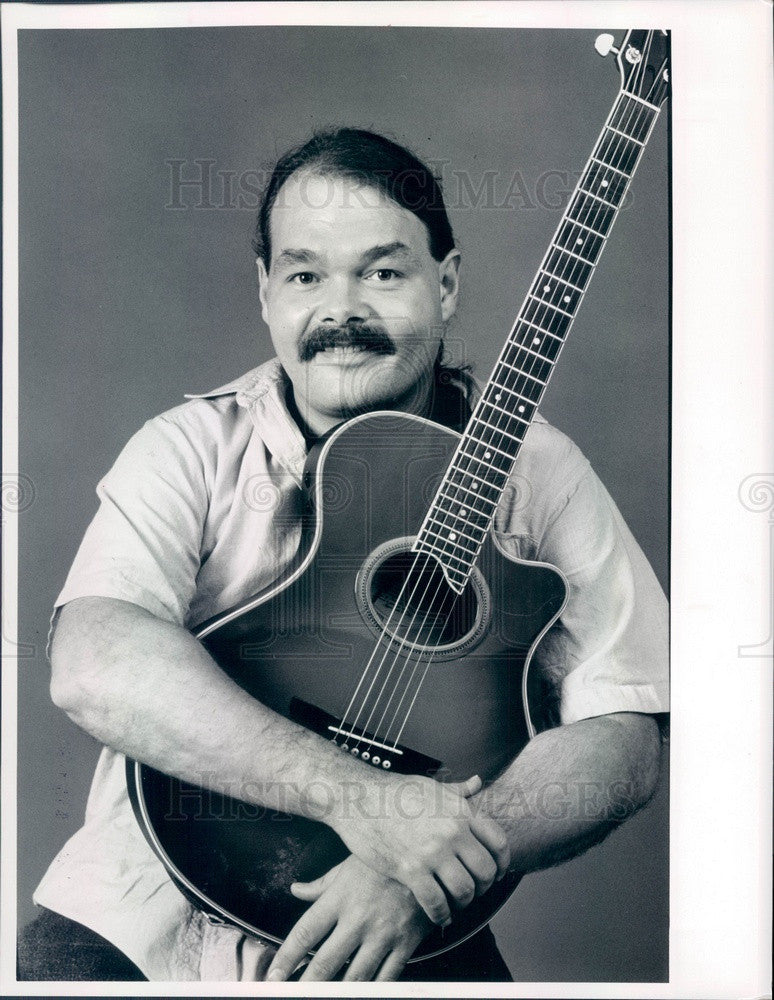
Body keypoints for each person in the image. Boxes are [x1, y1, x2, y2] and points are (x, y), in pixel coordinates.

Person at [19, 129, 669, 983]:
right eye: (305, 275)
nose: (341, 309)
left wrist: (429, 871)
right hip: (140, 921)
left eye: (384, 272)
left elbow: (622, 728)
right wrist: (368, 802)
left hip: (409, 930)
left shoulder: (539, 470)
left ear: (447, 284)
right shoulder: (189, 446)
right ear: (265, 292)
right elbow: (95, 661)